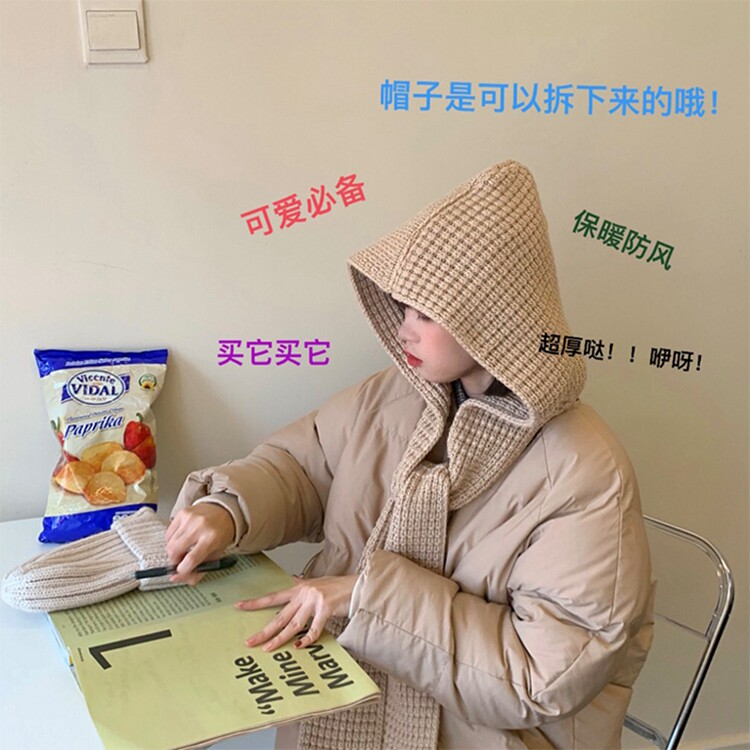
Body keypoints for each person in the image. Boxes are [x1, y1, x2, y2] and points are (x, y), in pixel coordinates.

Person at [167, 160, 654, 749]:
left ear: (490, 323)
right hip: (345, 686)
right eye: (403, 308)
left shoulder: (583, 468)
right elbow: (304, 468)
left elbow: (545, 675)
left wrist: (366, 597)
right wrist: (227, 509)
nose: (404, 330)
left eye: (426, 313)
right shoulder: (397, 395)